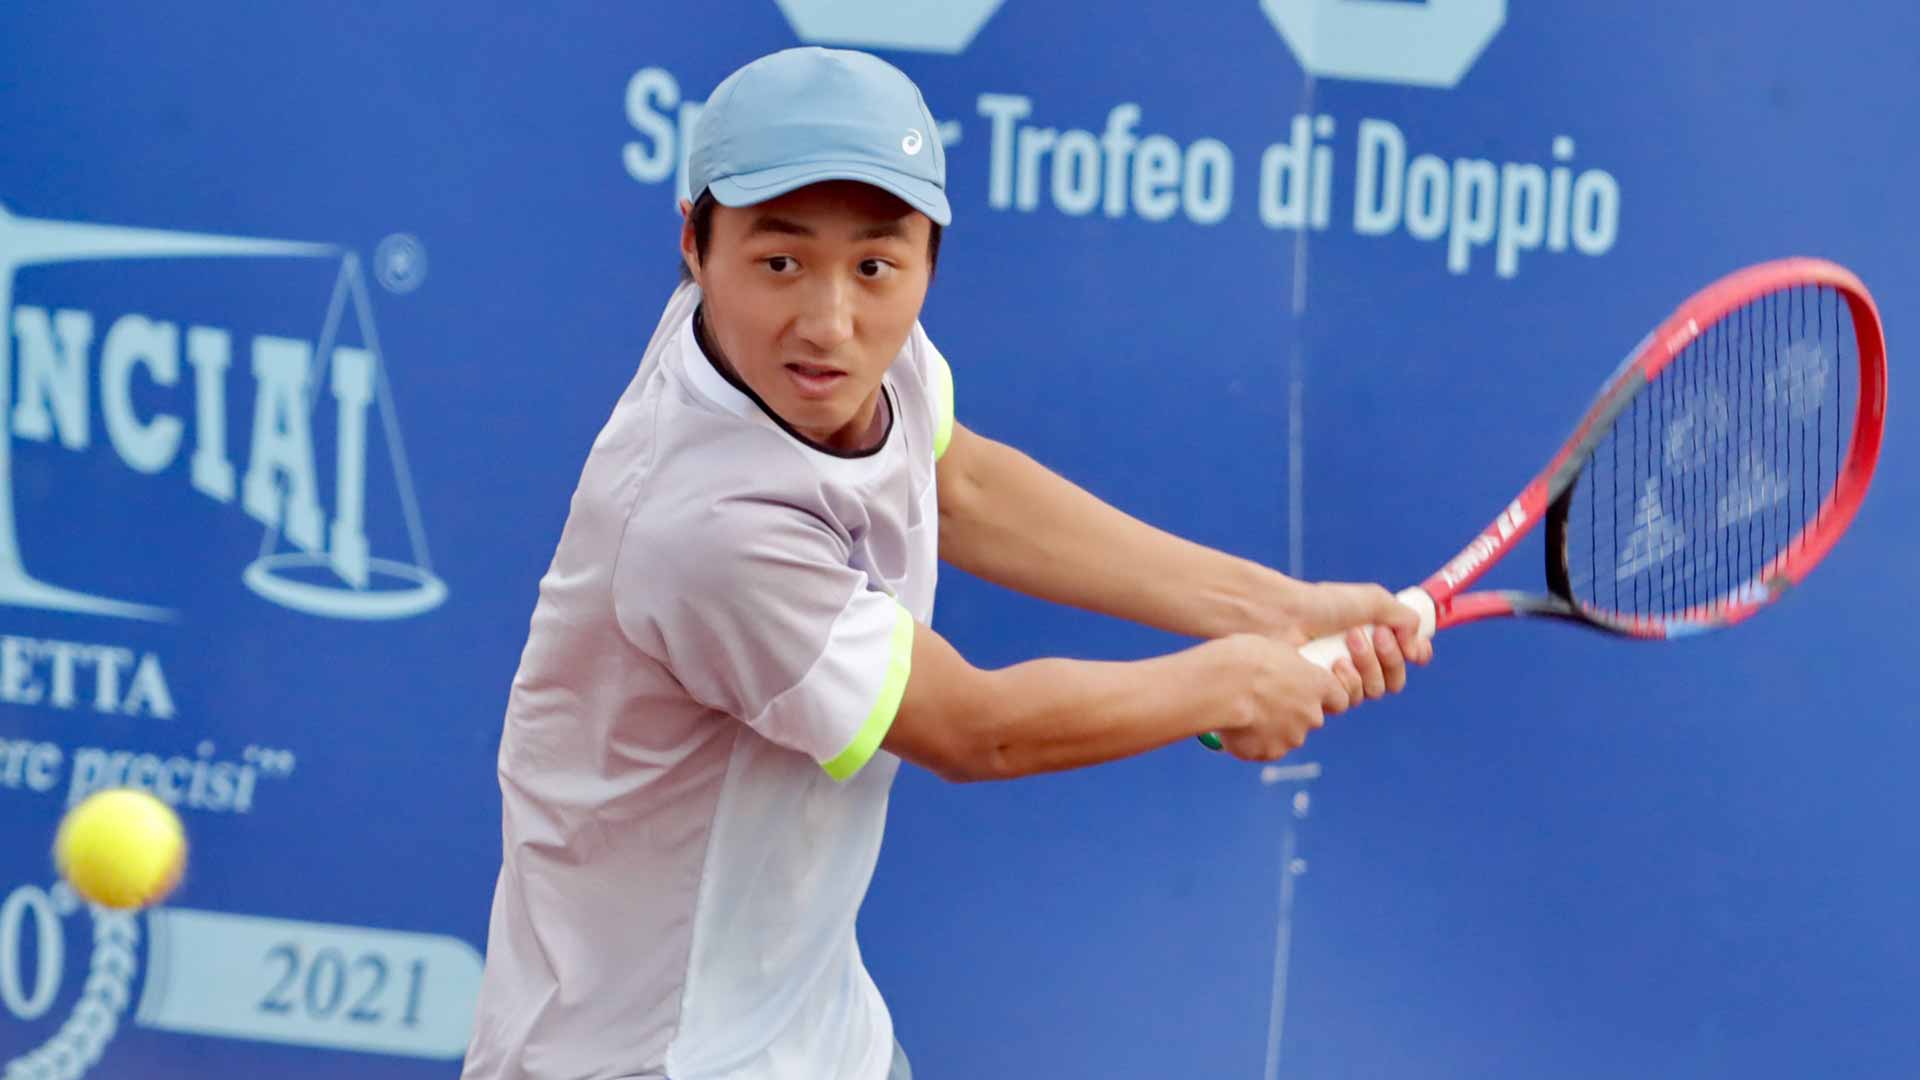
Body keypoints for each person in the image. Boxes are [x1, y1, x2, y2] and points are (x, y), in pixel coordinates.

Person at [461, 46, 1432, 1080]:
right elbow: (977, 732)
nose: (830, 322)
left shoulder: (830, 354)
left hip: (817, 1032)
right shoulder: (702, 528)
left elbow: (959, 485)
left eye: (876, 266)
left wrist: (1270, 608)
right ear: (695, 244)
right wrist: (1228, 685)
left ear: (927, 260)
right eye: (780, 261)